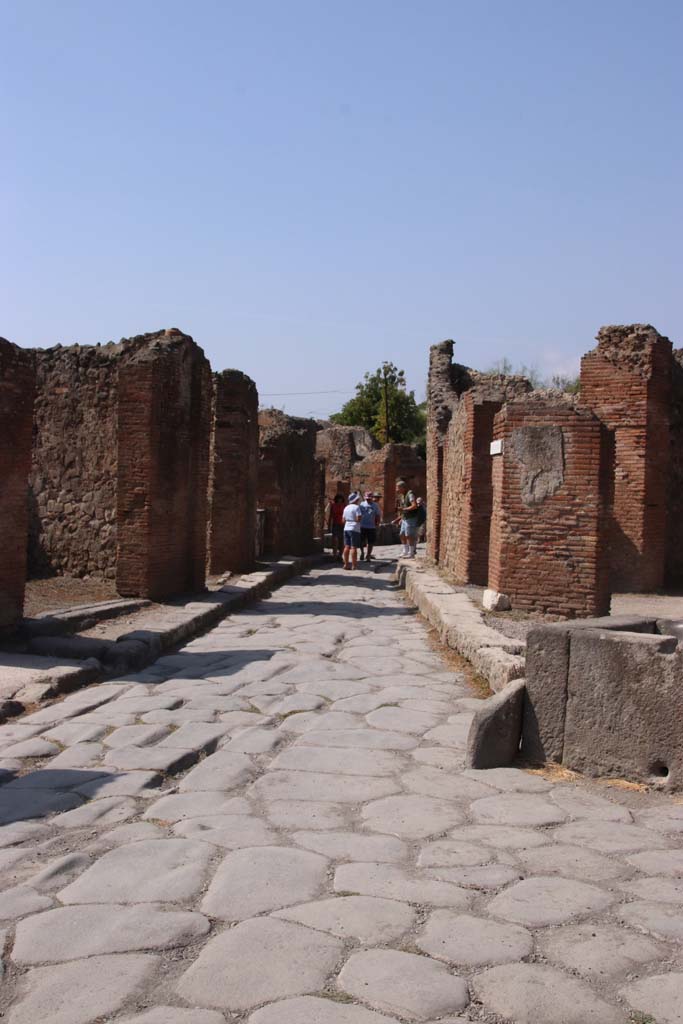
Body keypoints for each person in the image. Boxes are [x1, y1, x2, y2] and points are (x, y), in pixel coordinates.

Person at [393, 478, 419, 558]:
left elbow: (414, 506)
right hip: (405, 518)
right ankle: (405, 551)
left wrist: (403, 509)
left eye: (398, 488)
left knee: (409, 535)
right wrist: (399, 519)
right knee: (402, 534)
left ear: (402, 487)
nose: (397, 490)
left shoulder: (410, 494)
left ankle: (411, 553)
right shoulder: (402, 496)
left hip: (411, 518)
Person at [359, 490, 381, 561]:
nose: (368, 499)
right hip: (362, 526)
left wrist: (377, 523)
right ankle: (362, 552)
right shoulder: (361, 504)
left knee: (370, 542)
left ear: (372, 498)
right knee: (361, 541)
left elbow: (378, 515)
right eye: (367, 498)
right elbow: (358, 514)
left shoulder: (375, 505)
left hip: (371, 526)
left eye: (369, 498)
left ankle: (368, 555)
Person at [342, 491, 362, 570]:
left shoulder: (346, 507)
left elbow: (343, 520)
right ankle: (354, 565)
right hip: (354, 528)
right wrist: (355, 521)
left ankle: (346, 564)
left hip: (346, 528)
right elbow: (358, 518)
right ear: (356, 500)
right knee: (354, 547)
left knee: (347, 546)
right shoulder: (356, 507)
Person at [328, 493, 345, 560]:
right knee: (335, 540)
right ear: (336, 499)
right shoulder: (333, 505)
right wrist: (329, 525)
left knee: (342, 541)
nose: (339, 500)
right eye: (338, 498)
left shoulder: (344, 506)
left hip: (343, 524)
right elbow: (331, 516)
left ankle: (340, 555)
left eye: (340, 498)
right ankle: (334, 555)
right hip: (335, 524)